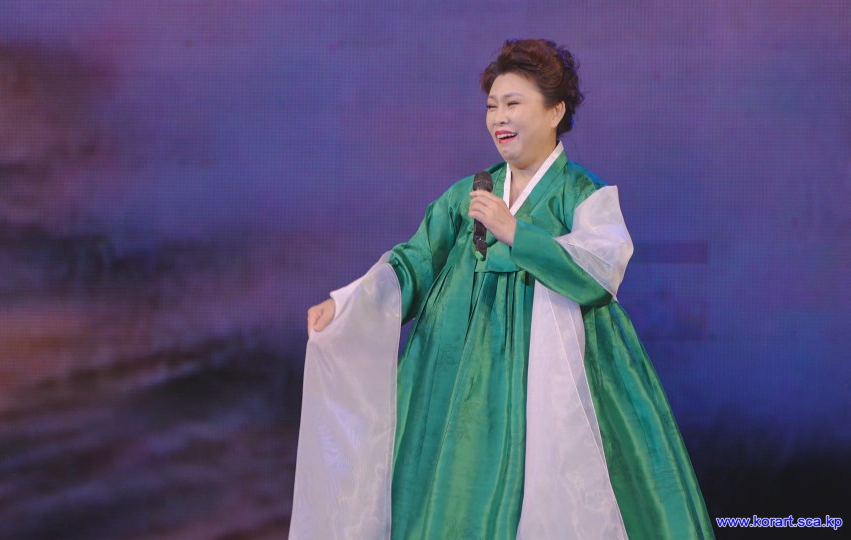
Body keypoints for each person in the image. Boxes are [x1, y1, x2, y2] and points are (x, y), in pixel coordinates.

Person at [290, 39, 714, 539]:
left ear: (555, 111)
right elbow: (415, 261)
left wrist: (517, 234)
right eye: (492, 106)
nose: (499, 118)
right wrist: (345, 305)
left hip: (558, 377)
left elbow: (600, 271)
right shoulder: (470, 194)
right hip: (459, 376)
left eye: (513, 103)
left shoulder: (583, 195)